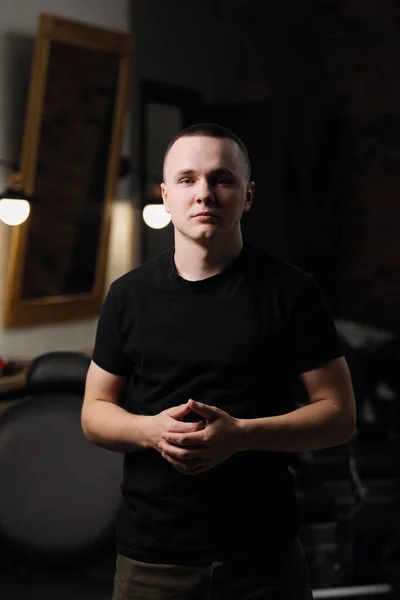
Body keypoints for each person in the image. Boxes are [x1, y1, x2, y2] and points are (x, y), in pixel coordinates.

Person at [81, 123, 356, 599]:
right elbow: (94, 413)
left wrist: (242, 435)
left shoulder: (292, 292)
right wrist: (153, 431)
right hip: (153, 556)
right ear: (165, 197)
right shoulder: (128, 296)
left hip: (263, 556)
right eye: (187, 180)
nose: (204, 193)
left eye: (222, 179)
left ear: (247, 195)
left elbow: (339, 416)